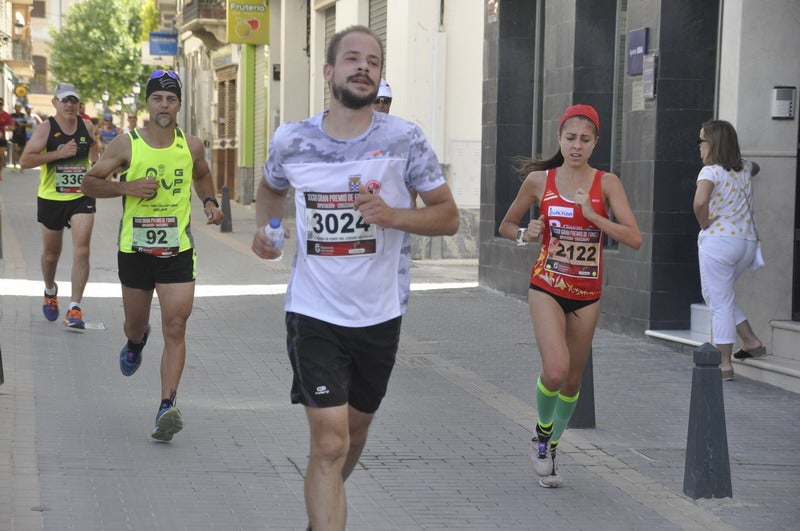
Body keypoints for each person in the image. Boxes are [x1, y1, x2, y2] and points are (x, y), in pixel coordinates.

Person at [251, 25, 459, 530]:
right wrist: (266, 230)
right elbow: (270, 188)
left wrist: (392, 216)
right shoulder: (293, 139)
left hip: (380, 313)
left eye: (372, 60)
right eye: (351, 59)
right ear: (329, 72)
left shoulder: (403, 140)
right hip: (314, 311)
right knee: (329, 440)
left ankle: (325, 502)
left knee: (354, 434)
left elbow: (448, 216)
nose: (363, 67)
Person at [499, 104, 642, 488]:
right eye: (570, 138)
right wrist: (523, 234)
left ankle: (552, 445)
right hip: (546, 285)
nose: (576, 146)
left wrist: (593, 216)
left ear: (595, 143)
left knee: (573, 382)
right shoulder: (538, 182)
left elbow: (634, 238)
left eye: (584, 139)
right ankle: (542, 437)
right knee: (556, 370)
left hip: (588, 294)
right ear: (559, 139)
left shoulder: (607, 183)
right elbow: (506, 224)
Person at [81, 69, 224, 442]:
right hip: (136, 250)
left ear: (179, 105)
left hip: (177, 249)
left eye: (171, 99)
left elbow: (203, 173)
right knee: (135, 324)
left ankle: (167, 406)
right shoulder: (126, 145)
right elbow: (89, 182)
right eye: (158, 98)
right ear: (148, 103)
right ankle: (135, 343)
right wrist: (127, 186)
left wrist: (209, 200)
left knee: (176, 326)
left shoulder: (191, 145)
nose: (164, 105)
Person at [20, 83, 98, 330]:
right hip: (51, 198)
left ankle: (75, 308)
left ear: (79, 103)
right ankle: (50, 289)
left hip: (81, 196)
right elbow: (24, 161)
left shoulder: (86, 126)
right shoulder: (45, 129)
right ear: (55, 103)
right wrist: (59, 154)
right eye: (65, 100)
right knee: (51, 255)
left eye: (74, 100)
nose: (69, 104)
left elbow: (94, 151)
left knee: (82, 249)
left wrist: (99, 169)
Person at [693, 120, 766, 380]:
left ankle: (724, 364)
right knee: (718, 294)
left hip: (720, 242)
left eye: (701, 141)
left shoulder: (710, 172)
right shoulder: (745, 168)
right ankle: (750, 340)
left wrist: (704, 222)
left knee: (719, 300)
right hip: (746, 245)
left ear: (713, 143)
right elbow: (754, 166)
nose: (699, 146)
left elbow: (700, 201)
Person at [0, 97, 15, 180]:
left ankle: (0, 173)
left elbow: (12, 126)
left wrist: (8, 128)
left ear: (3, 105)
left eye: (1, 104)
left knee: (1, 156)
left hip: (2, 138)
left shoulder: (6, 115)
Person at [11, 102, 28, 171]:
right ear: (14, 108)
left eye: (19, 107)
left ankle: (21, 165)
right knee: (15, 149)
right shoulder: (11, 115)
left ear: (21, 108)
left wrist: (22, 124)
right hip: (15, 135)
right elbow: (9, 124)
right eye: (16, 106)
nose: (17, 108)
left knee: (22, 150)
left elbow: (30, 125)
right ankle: (14, 165)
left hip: (23, 135)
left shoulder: (24, 116)